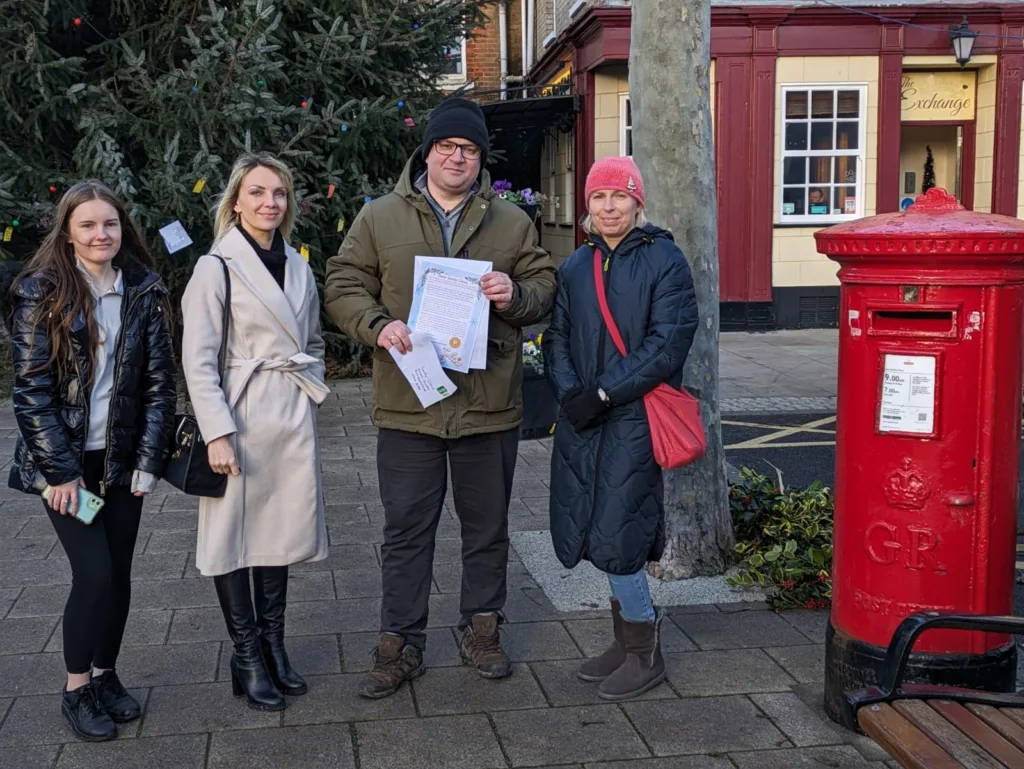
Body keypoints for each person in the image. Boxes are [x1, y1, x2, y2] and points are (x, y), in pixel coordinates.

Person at [325, 97, 556, 699]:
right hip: (409, 403)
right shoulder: (379, 218)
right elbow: (344, 283)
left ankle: (482, 629)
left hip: (488, 405)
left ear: (481, 159)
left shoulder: (511, 222)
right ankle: (400, 641)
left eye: (469, 149)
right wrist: (378, 327)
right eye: (446, 147)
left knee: (487, 528)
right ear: (427, 153)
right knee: (406, 530)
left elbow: (544, 287)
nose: (457, 157)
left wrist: (515, 292)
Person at [6, 180, 176, 740]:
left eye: (110, 224)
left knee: (120, 575)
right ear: (68, 231)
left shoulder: (144, 288)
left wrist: (149, 461)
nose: (101, 234)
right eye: (88, 225)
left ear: (122, 228)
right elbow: (31, 392)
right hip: (68, 466)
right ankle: (76, 687)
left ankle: (105, 675)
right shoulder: (43, 290)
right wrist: (60, 474)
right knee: (94, 574)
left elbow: (158, 384)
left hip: (121, 461)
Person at [542, 156, 698, 702]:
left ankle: (643, 651)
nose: (609, 207)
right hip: (585, 416)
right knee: (595, 527)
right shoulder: (575, 266)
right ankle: (624, 639)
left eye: (619, 196)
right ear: (587, 207)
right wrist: (570, 394)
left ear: (638, 202)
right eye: (599, 198)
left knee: (620, 530)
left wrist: (605, 392)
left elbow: (669, 341)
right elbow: (556, 336)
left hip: (632, 415)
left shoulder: (664, 260)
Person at [181, 152, 330, 712]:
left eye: (280, 193)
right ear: (236, 201)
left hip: (289, 416)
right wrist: (216, 432)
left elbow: (312, 342)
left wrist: (306, 387)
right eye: (259, 192)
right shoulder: (214, 267)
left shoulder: (297, 263)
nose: (271, 202)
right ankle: (245, 655)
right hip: (239, 420)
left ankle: (273, 646)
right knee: (233, 540)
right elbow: (197, 361)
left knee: (279, 536)